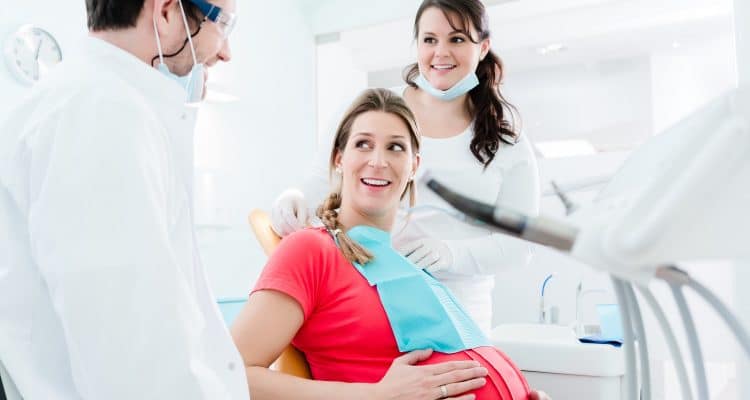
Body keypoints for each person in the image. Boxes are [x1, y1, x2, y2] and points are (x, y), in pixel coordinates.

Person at [232, 88, 550, 400]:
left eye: (396, 147)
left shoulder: (405, 267)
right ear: (339, 158)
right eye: (363, 144)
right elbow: (231, 373)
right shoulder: (311, 250)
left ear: (414, 166)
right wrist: (378, 396)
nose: (378, 160)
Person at [0, 1, 247, 398]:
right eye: (224, 24)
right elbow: (136, 363)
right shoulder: (102, 114)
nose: (225, 52)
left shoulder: (94, 102)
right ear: (167, 13)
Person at [270, 0, 540, 334]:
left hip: (458, 317)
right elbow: (323, 177)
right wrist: (293, 197)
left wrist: (450, 254)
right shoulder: (378, 110)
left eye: (456, 39)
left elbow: (520, 246)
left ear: (483, 47)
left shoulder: (507, 142)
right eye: (429, 40)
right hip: (370, 299)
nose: (441, 52)